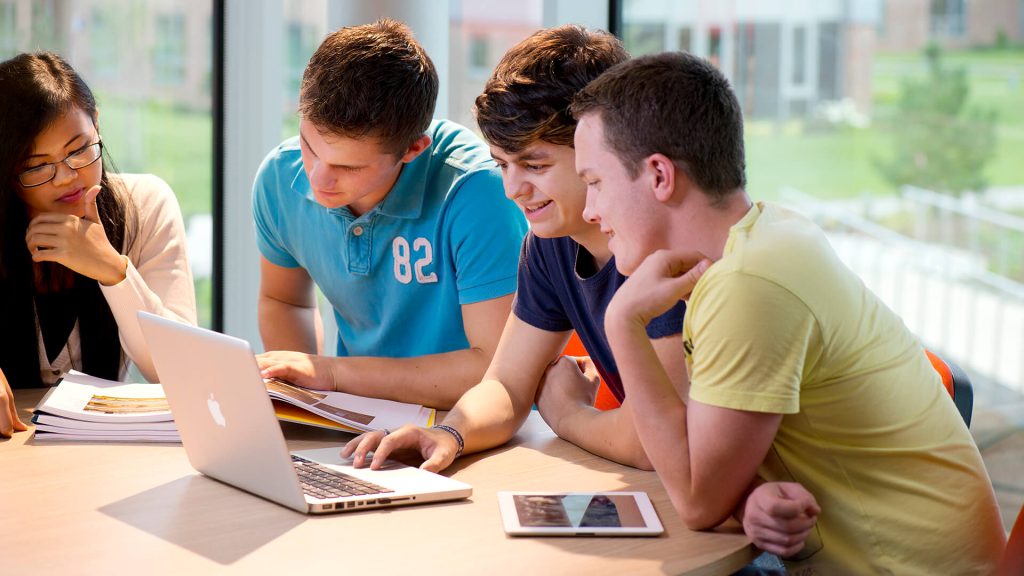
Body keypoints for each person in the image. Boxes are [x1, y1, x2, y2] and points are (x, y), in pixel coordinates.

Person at [343, 27, 817, 560]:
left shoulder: (665, 256)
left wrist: (564, 411)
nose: (512, 188)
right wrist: (450, 434)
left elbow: (647, 443)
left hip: (763, 527)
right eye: (502, 164)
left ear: (597, 147)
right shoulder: (549, 244)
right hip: (739, 507)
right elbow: (506, 382)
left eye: (535, 164)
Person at [571, 51, 1005, 574]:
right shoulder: (768, 234)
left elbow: (696, 501)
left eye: (594, 182)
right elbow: (708, 458)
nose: (589, 210)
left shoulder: (749, 285)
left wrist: (623, 324)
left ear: (660, 175)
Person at [253, 19, 526, 409]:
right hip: (357, 416)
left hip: (472, 424)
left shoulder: (479, 192)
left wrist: (331, 374)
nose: (317, 178)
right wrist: (302, 402)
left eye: (349, 167)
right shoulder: (279, 178)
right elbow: (285, 301)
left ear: (413, 149)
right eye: (309, 146)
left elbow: (498, 371)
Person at [0, 52, 197, 437]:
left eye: (78, 150)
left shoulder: (144, 205)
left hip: (105, 451)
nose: (67, 177)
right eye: (37, 165)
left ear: (97, 124)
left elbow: (182, 374)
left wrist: (113, 270)